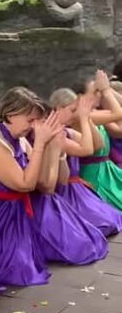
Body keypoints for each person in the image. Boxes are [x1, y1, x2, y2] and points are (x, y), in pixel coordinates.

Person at [0, 87, 108, 289]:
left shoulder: (20, 140)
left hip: (18, 216)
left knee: (80, 245)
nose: (33, 126)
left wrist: (53, 148)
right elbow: (26, 184)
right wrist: (40, 144)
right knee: (19, 273)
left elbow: (46, 185)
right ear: (11, 114)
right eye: (30, 120)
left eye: (36, 121)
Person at [49, 85, 122, 234]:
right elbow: (88, 149)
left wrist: (86, 118)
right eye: (73, 110)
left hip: (86, 180)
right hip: (72, 186)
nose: (98, 95)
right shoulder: (59, 131)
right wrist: (84, 118)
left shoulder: (74, 124)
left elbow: (99, 143)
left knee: (113, 218)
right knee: (105, 223)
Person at [72, 70, 122, 210]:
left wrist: (108, 89)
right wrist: (106, 90)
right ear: (81, 97)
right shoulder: (81, 116)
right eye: (95, 92)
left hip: (107, 171)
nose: (99, 94)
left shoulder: (94, 114)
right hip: (95, 176)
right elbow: (119, 113)